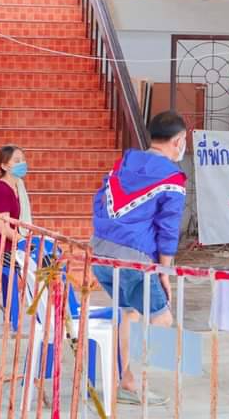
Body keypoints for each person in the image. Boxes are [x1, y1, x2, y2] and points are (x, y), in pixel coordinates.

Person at [91, 111, 188, 406]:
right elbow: (168, 229)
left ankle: (126, 380)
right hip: (134, 258)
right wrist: (164, 273)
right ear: (178, 141)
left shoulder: (123, 163)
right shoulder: (172, 177)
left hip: (101, 253)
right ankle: (140, 384)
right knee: (162, 317)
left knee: (129, 314)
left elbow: (99, 201)